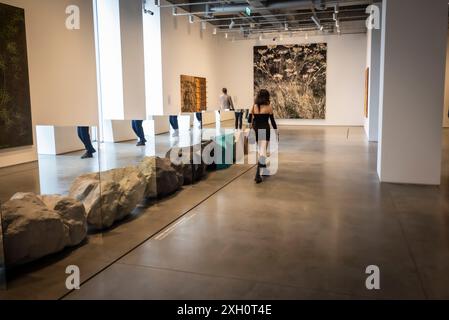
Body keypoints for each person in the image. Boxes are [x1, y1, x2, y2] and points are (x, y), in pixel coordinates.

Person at [248, 89, 278, 184]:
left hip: (256, 129)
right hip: (265, 130)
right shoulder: (269, 107)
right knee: (263, 151)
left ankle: (265, 171)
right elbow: (272, 121)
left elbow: (249, 120)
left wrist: (252, 129)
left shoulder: (254, 106)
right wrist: (276, 131)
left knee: (261, 150)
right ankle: (257, 174)